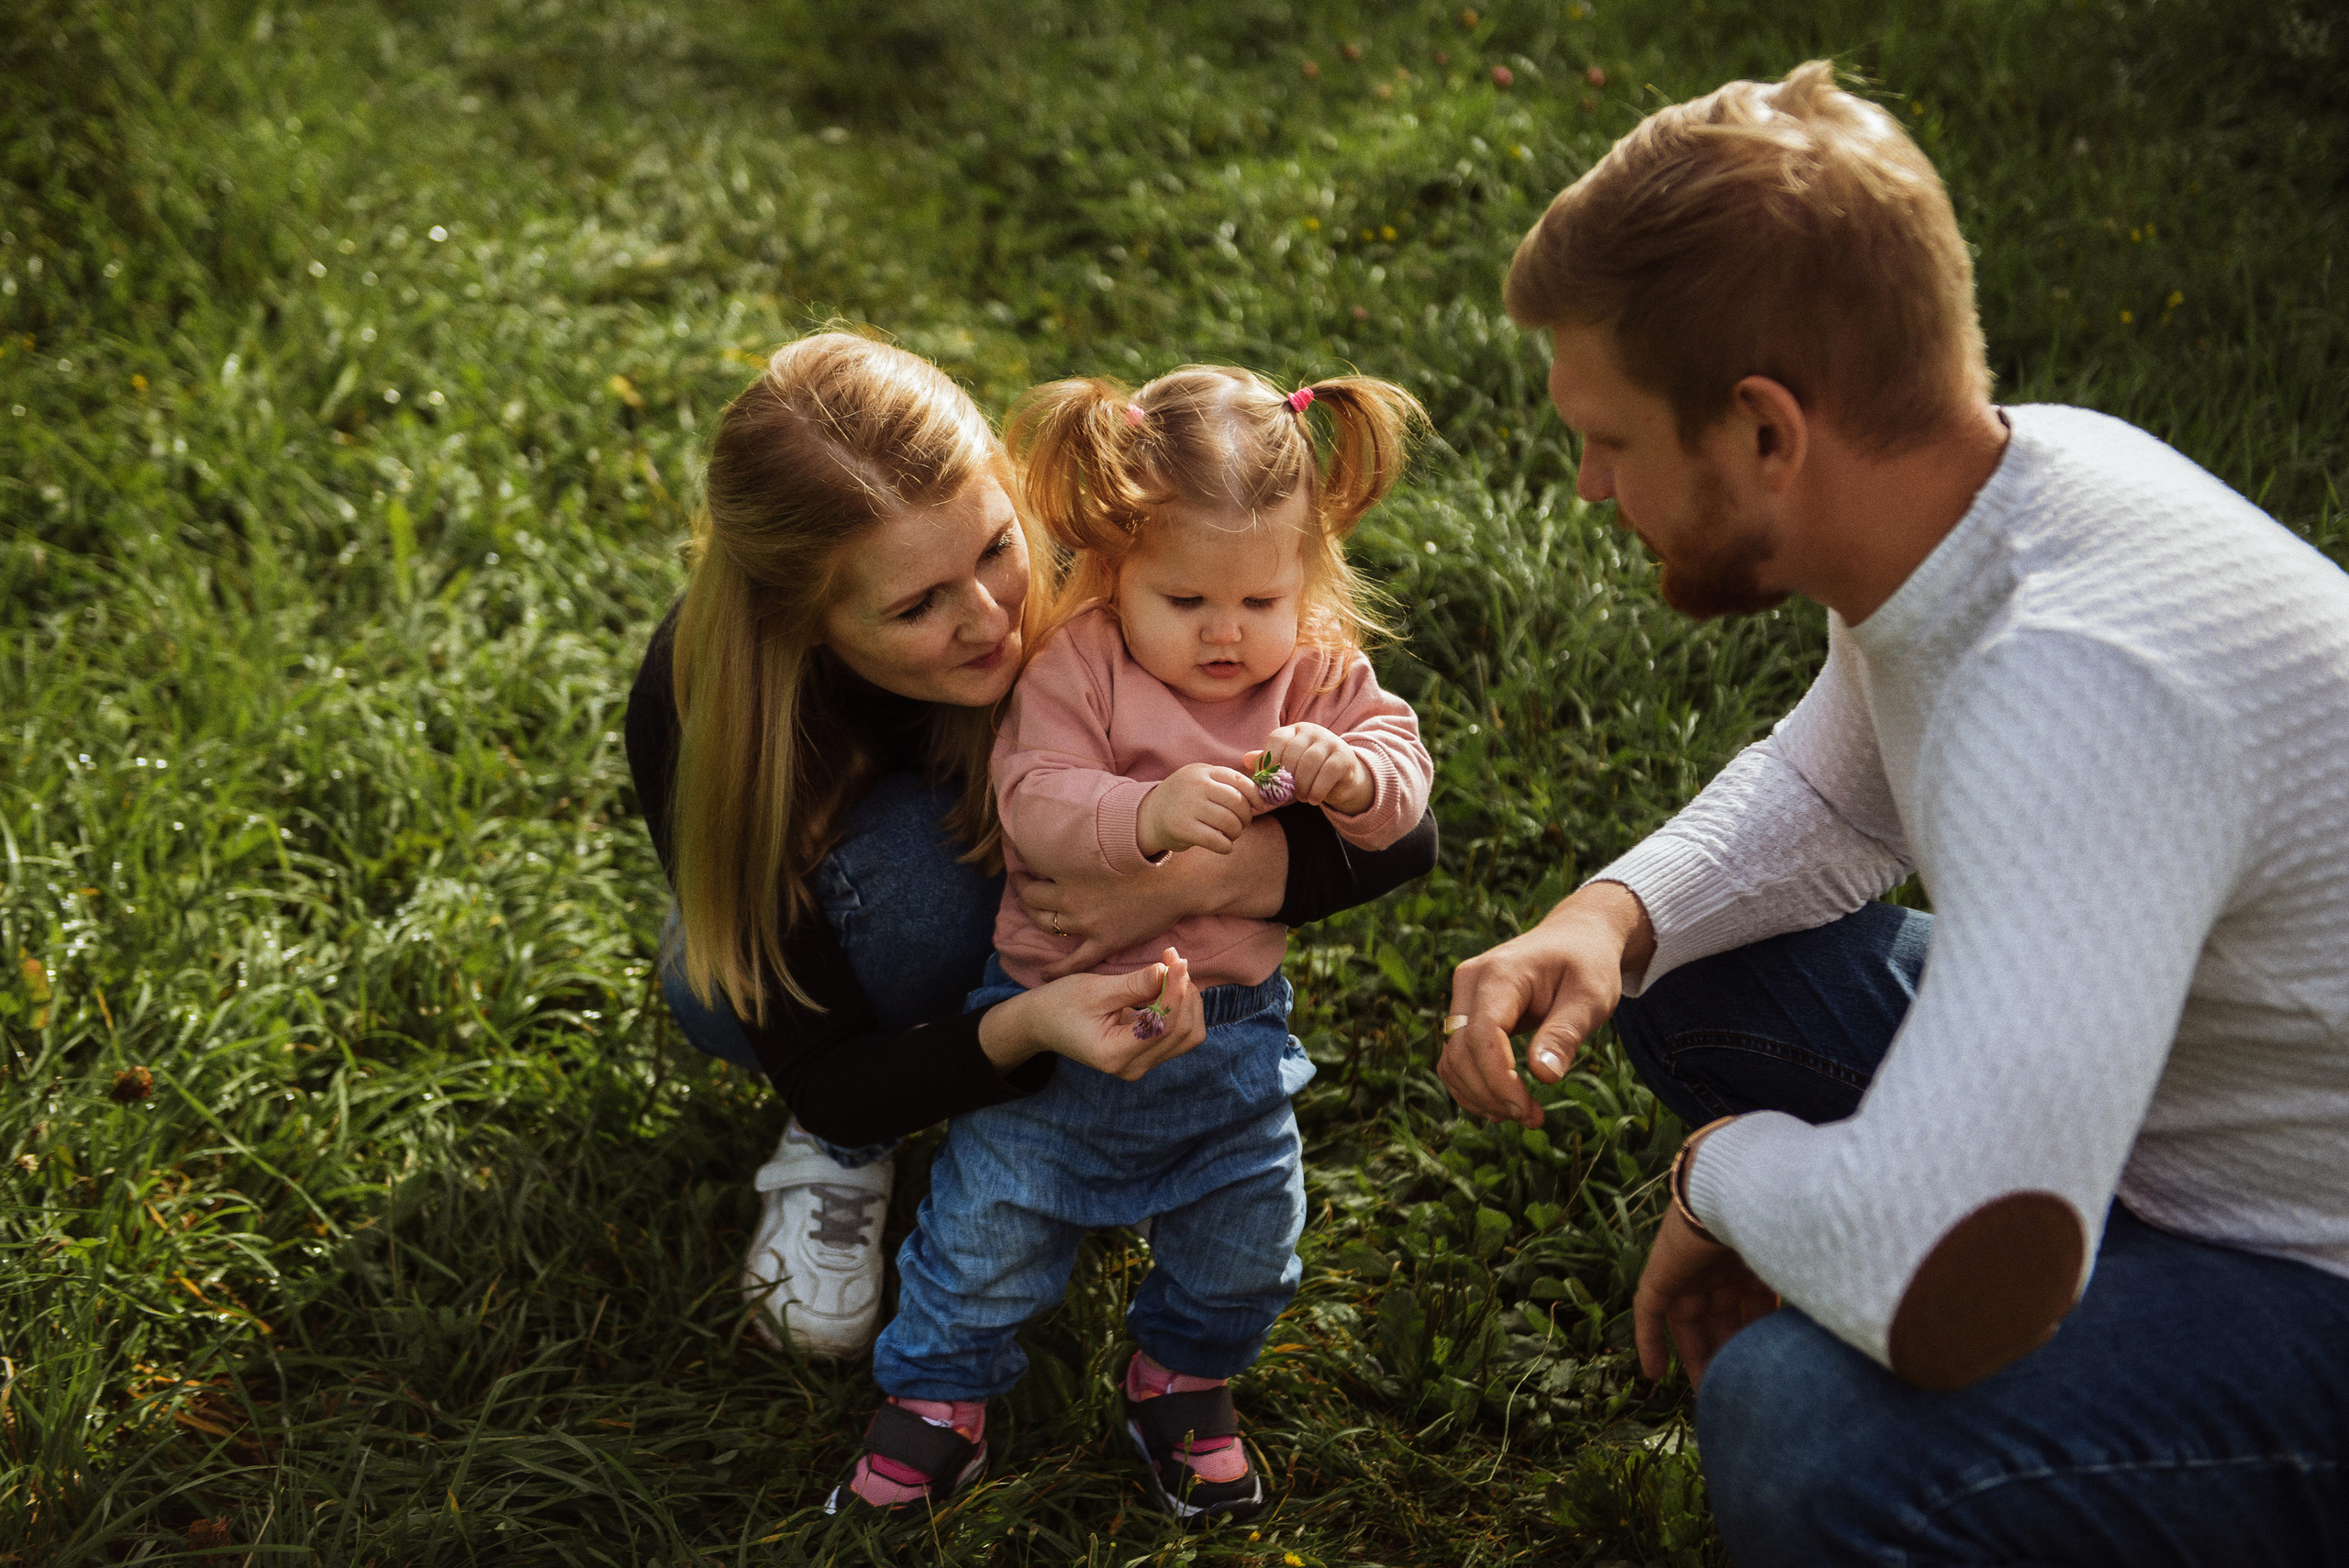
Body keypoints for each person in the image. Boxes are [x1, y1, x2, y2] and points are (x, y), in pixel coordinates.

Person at [1442, 61, 2349, 1566]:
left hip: (2311, 1259)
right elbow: (1830, 786)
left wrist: (1719, 1174)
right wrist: (1607, 915)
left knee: (1812, 1430)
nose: (1593, 484)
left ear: (1763, 433)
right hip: (2164, 1126)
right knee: (1691, 968)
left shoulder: (2071, 692)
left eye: (1610, 438)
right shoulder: (2002, 489)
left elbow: (1949, 1277)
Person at [623, 333, 1439, 1363]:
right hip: (876, 944)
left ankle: (1036, 1111)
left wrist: (1188, 880)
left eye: (997, 549)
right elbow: (822, 1065)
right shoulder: (705, 704)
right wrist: (1027, 1024)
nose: (991, 617)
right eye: (918, 605)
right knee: (892, 896)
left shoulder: (1111, 552)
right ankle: (851, 1150)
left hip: (1081, 923)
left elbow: (1409, 835)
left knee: (972, 861)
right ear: (806, 622)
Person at [829, 367, 1434, 1522]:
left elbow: (1401, 767)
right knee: (991, 1223)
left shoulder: (1311, 667)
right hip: (1055, 1021)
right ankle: (938, 1398)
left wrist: (1359, 778)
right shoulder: (1081, 665)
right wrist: (1141, 817)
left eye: (1260, 601)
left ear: (1304, 579)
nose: (1227, 634)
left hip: (1233, 1046)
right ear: (1113, 573)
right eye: (1186, 600)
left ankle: (1183, 1376)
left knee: (1249, 1236)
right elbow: (1034, 797)